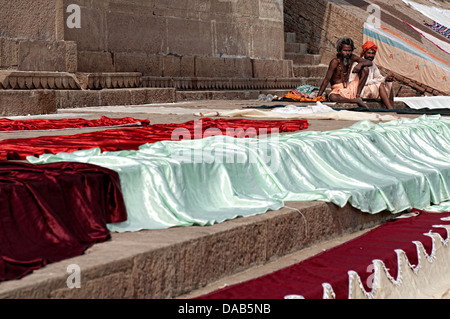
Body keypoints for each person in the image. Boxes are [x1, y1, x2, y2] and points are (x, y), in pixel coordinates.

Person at [317, 37, 372, 108]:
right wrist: (318, 96)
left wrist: (360, 64)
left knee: (365, 69)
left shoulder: (352, 57)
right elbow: (327, 79)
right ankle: (356, 101)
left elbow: (369, 62)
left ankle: (357, 96)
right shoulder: (335, 62)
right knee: (332, 97)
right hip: (338, 90)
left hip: (350, 87)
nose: (347, 53)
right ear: (339, 51)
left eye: (349, 51)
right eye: (345, 50)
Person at [354, 41, 395, 109]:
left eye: (373, 53)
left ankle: (392, 107)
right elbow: (366, 82)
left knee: (389, 84)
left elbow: (379, 77)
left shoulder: (372, 64)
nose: (371, 55)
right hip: (361, 90)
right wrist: (382, 80)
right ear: (364, 53)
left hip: (370, 87)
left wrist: (387, 79)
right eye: (369, 53)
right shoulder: (358, 64)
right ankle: (390, 108)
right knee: (380, 85)